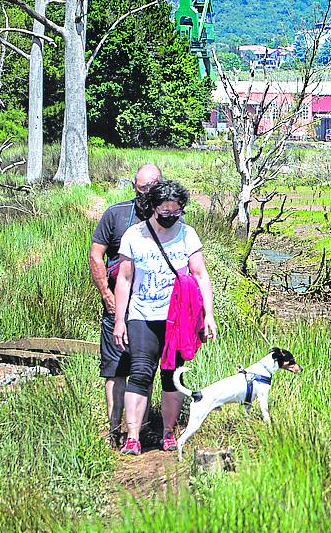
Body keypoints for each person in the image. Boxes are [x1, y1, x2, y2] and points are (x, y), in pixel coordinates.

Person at [113, 179, 217, 455]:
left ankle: (168, 433)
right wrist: (120, 320)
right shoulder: (134, 236)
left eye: (176, 211)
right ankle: (133, 437)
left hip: (178, 319)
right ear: (153, 207)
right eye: (165, 211)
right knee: (140, 373)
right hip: (142, 315)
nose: (171, 216)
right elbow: (124, 279)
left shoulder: (188, 235)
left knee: (172, 375)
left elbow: (200, 275)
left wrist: (208, 314)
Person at [89, 164, 161, 444]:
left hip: (151, 309)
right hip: (116, 306)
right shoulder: (116, 214)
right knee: (115, 370)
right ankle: (113, 430)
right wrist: (106, 294)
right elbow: (96, 255)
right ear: (134, 187)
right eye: (141, 188)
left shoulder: (166, 217)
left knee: (144, 368)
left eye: (151, 188)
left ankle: (141, 428)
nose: (146, 193)